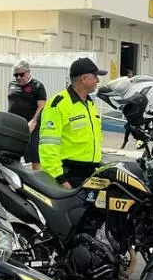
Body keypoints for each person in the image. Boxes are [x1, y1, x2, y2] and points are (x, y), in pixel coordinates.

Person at [39, 58, 107, 188]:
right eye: (95, 76)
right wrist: (59, 179)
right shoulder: (58, 104)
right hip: (69, 177)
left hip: (91, 175)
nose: (98, 80)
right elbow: (48, 146)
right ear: (84, 78)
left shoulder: (89, 103)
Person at [8, 61, 47, 169]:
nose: (18, 77)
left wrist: (33, 121)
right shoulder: (11, 84)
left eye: (21, 74)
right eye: (16, 75)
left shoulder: (38, 86)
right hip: (15, 125)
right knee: (13, 153)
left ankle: (36, 180)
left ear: (28, 72)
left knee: (34, 155)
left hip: (31, 126)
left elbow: (42, 106)